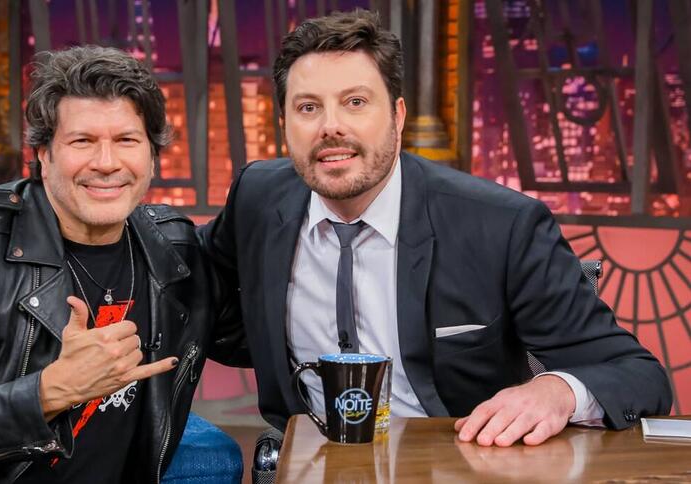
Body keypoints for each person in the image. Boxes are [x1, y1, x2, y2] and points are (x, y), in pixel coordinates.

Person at [200, 10, 672, 447]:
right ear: (284, 122)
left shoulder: (501, 225)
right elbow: (195, 288)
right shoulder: (258, 198)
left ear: (398, 116)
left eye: (356, 102)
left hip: (458, 459)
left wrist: (555, 391)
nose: (331, 127)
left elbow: (637, 375)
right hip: (309, 456)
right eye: (308, 108)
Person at [0, 45, 238, 483]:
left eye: (126, 141)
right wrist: (51, 391)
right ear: (44, 155)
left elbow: (254, 339)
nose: (106, 163)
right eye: (82, 141)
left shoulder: (173, 247)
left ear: (152, 156)